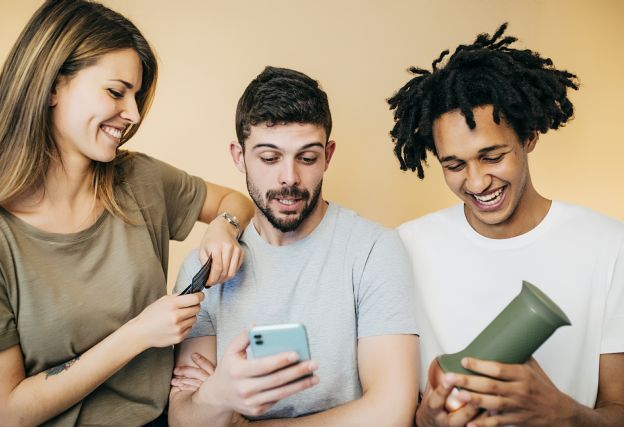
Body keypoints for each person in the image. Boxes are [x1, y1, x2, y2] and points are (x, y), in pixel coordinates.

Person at [0, 1, 254, 425]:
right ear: (52, 86)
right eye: (116, 92)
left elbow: (235, 201)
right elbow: (8, 413)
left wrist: (226, 226)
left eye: (136, 96)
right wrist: (139, 334)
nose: (133, 114)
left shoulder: (141, 179)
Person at [388, 23, 624, 427]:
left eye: (493, 157)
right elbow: (394, 403)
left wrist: (562, 413)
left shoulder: (610, 245)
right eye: (454, 165)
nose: (477, 182)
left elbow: (619, 408)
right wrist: (426, 420)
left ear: (528, 137)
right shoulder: (405, 247)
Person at [168, 66, 419, 426]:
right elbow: (183, 419)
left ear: (328, 155)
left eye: (307, 157)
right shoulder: (206, 267)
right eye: (270, 158)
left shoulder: (374, 250)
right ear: (239, 156)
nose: (289, 178)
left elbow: (391, 413)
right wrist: (218, 395)